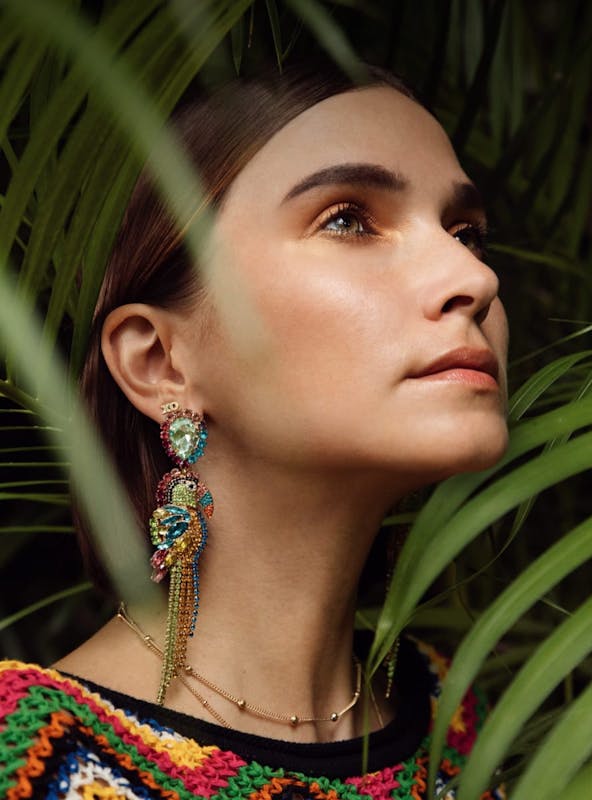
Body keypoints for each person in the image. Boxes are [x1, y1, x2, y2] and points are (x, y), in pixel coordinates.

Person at [0, 61, 508, 799]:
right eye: (349, 219)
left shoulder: (457, 730)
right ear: (159, 362)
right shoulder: (27, 757)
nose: (474, 276)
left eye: (468, 232)